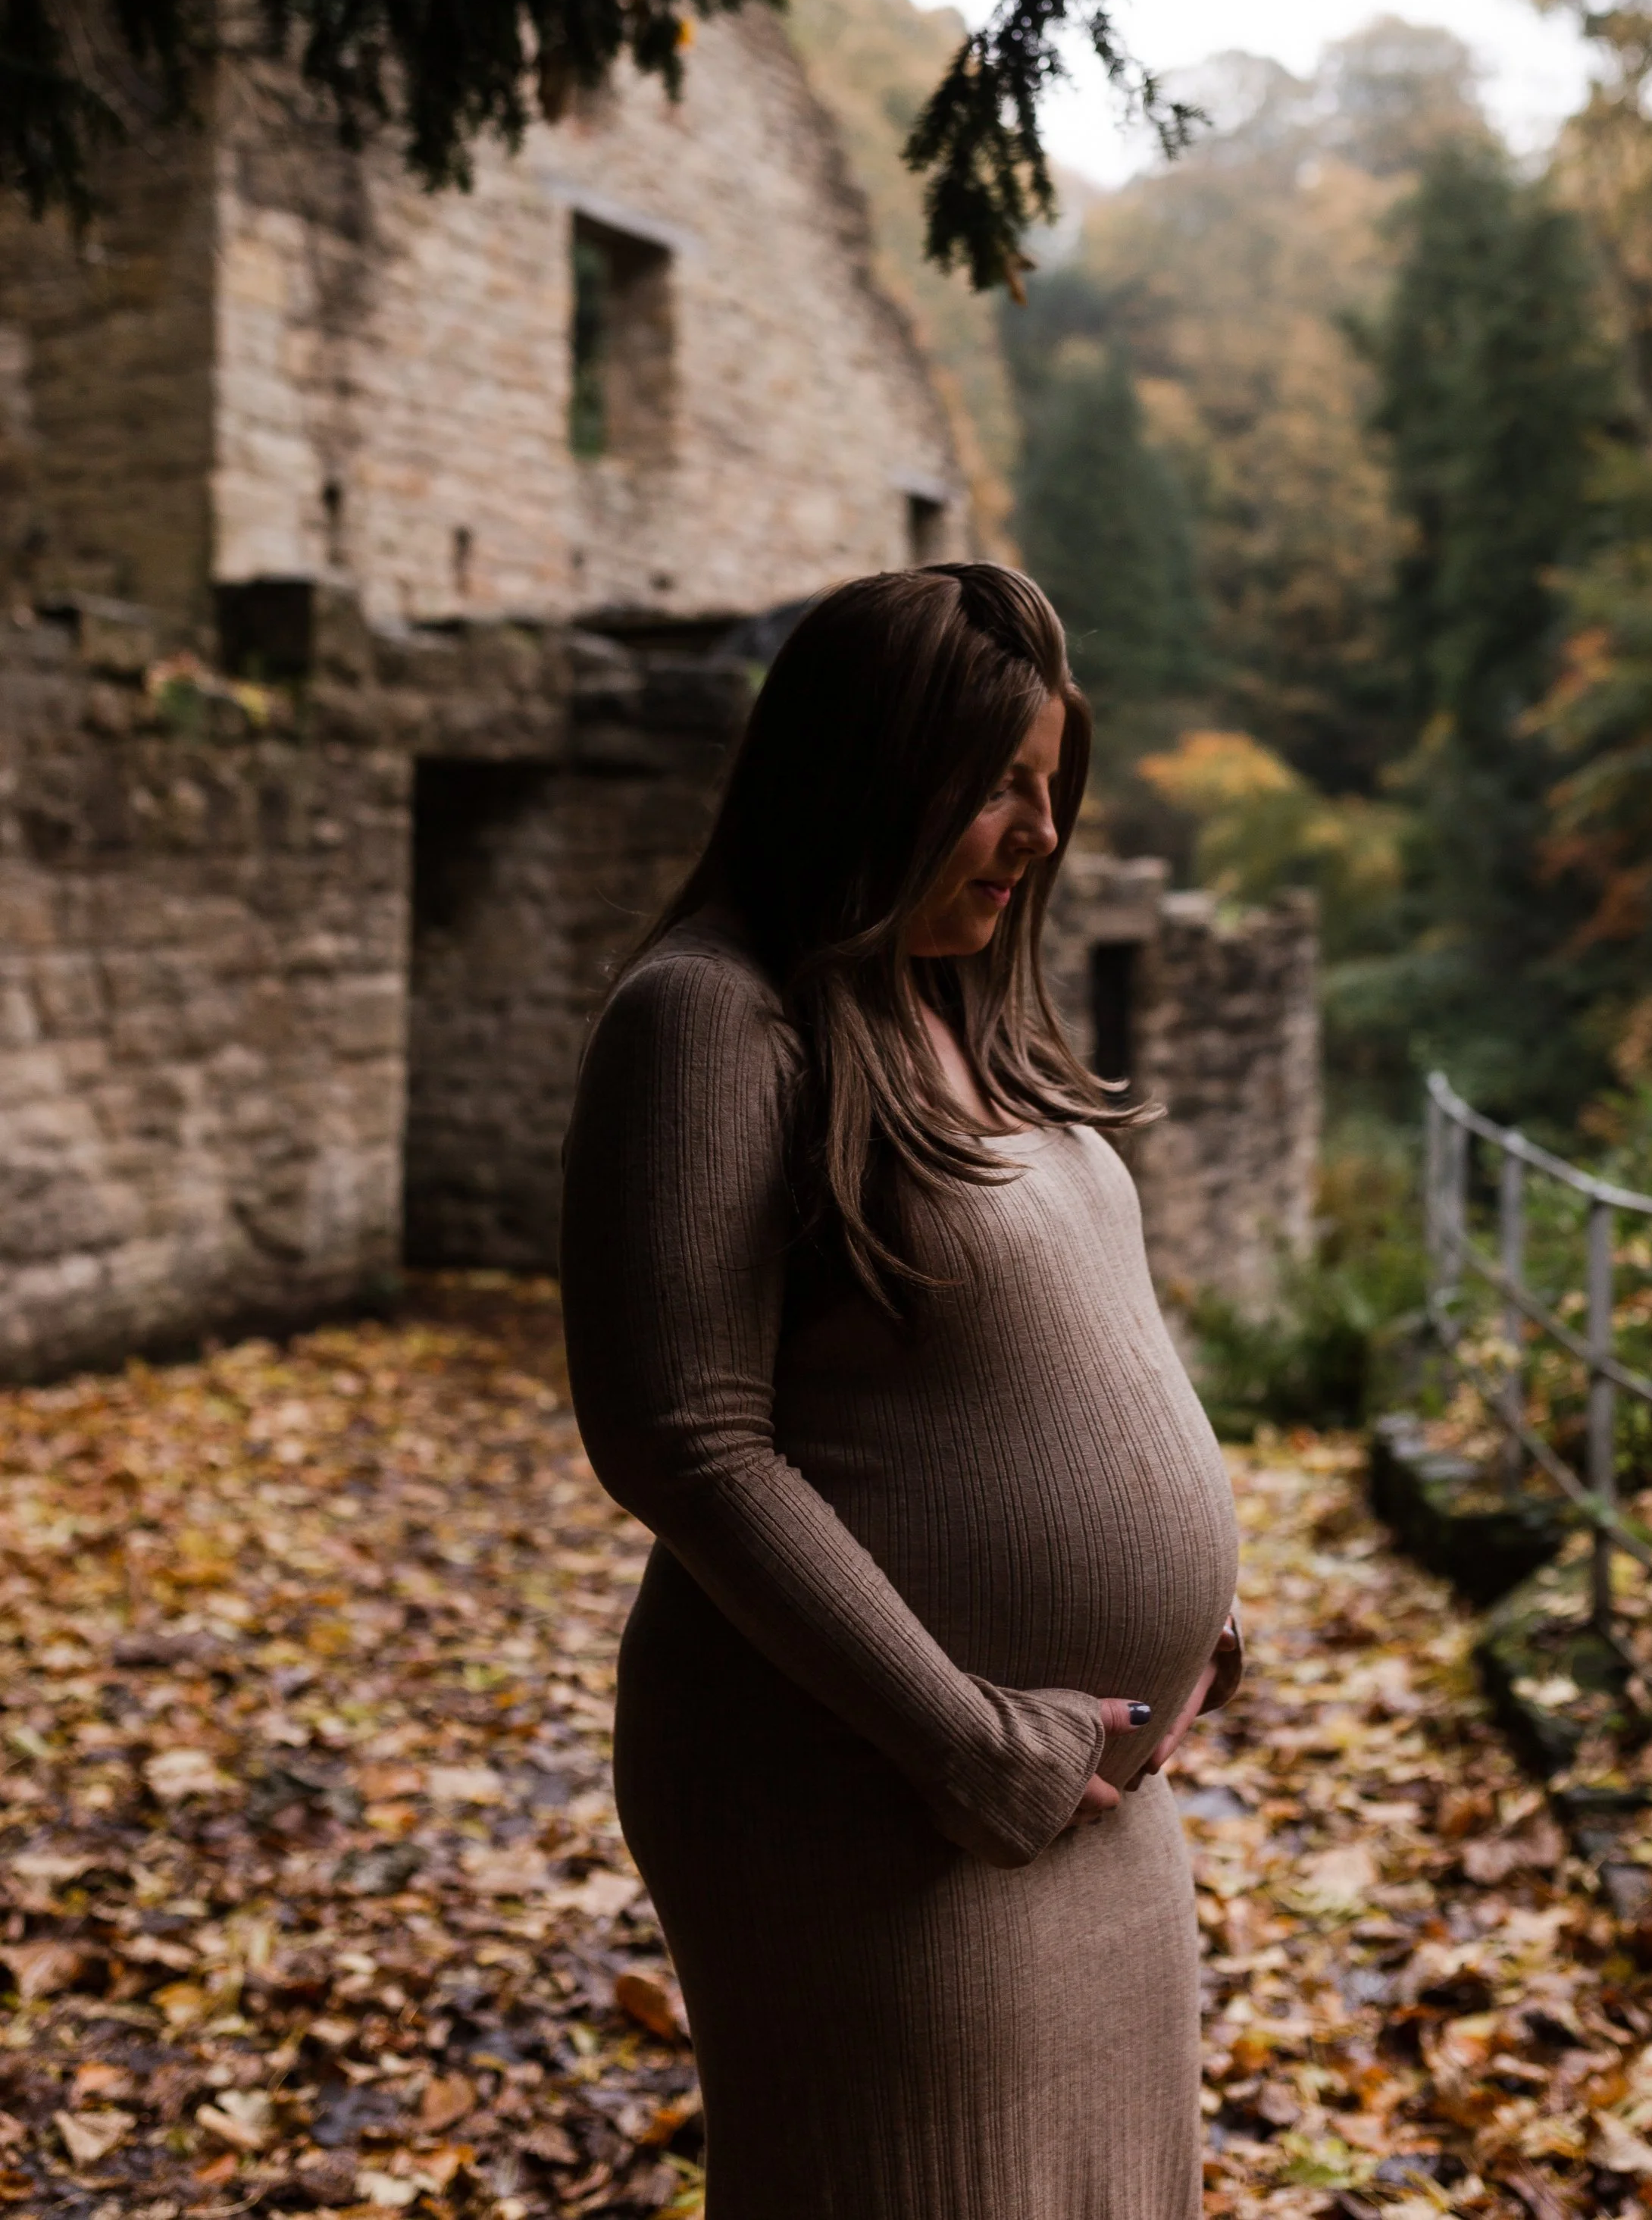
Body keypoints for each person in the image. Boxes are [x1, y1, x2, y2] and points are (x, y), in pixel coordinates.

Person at [560, 563, 1242, 2220]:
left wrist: (1185, 1598)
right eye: (997, 787)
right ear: (870, 773)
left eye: (1049, 786)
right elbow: (682, 1438)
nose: (1042, 833)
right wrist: (964, 1741)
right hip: (874, 1792)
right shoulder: (712, 1020)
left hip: (1077, 1791)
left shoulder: (950, 1012)